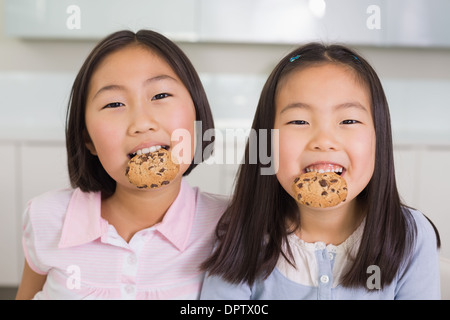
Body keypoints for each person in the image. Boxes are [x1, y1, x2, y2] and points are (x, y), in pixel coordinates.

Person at [200, 43, 441, 299]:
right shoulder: (241, 234)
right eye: (299, 121)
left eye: (348, 120)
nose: (324, 140)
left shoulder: (409, 236)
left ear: (379, 138)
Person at [15, 30, 228, 299]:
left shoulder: (232, 227)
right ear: (88, 139)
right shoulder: (47, 216)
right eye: (114, 103)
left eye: (161, 95)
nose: (141, 123)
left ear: (197, 115)